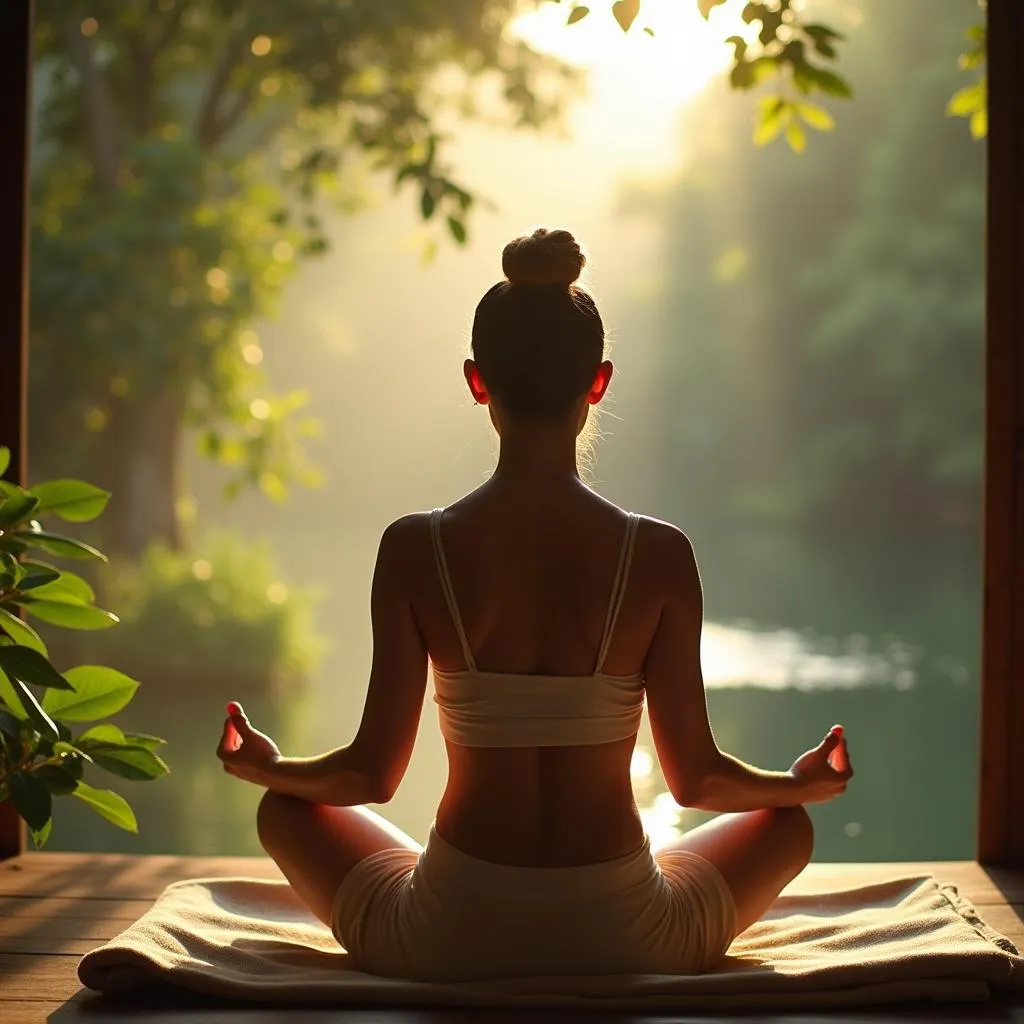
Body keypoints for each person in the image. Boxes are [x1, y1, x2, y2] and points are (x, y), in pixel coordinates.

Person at [216, 227, 853, 983]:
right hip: (627, 935)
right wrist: (801, 786)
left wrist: (269, 767)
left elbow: (368, 777)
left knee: (284, 810)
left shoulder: (417, 548)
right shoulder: (659, 555)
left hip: (448, 935)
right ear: (600, 381)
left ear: (477, 381)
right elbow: (697, 783)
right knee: (785, 829)